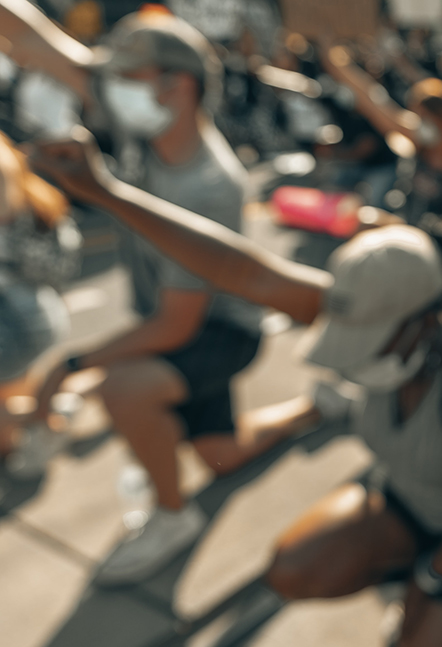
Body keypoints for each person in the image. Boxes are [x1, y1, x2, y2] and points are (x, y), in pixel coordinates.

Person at [32, 129, 442, 647]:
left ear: (427, 319)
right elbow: (239, 269)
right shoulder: (365, 304)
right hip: (406, 501)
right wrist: (105, 191)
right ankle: (404, 579)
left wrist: (426, 591)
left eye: (373, 339)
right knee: (293, 569)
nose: (355, 358)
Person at [1, 2, 282, 583]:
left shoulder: (208, 185)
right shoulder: (143, 114)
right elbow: (38, 42)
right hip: (176, 317)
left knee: (123, 390)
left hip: (219, 332)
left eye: (121, 78)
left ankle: (171, 516)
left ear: (175, 87)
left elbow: (178, 328)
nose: (104, 90)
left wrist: (69, 368)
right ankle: (316, 407)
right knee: (222, 456)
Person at [318, 43, 442, 231]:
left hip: (438, 248)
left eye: (426, 118)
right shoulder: (420, 142)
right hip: (406, 232)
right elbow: (373, 100)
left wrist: (386, 224)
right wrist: (334, 59)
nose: (420, 123)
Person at [0, 132, 77, 478]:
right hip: (34, 310)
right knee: (16, 392)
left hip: (18, 322)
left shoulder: (15, 195)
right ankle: (49, 413)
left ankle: (47, 418)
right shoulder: (31, 188)